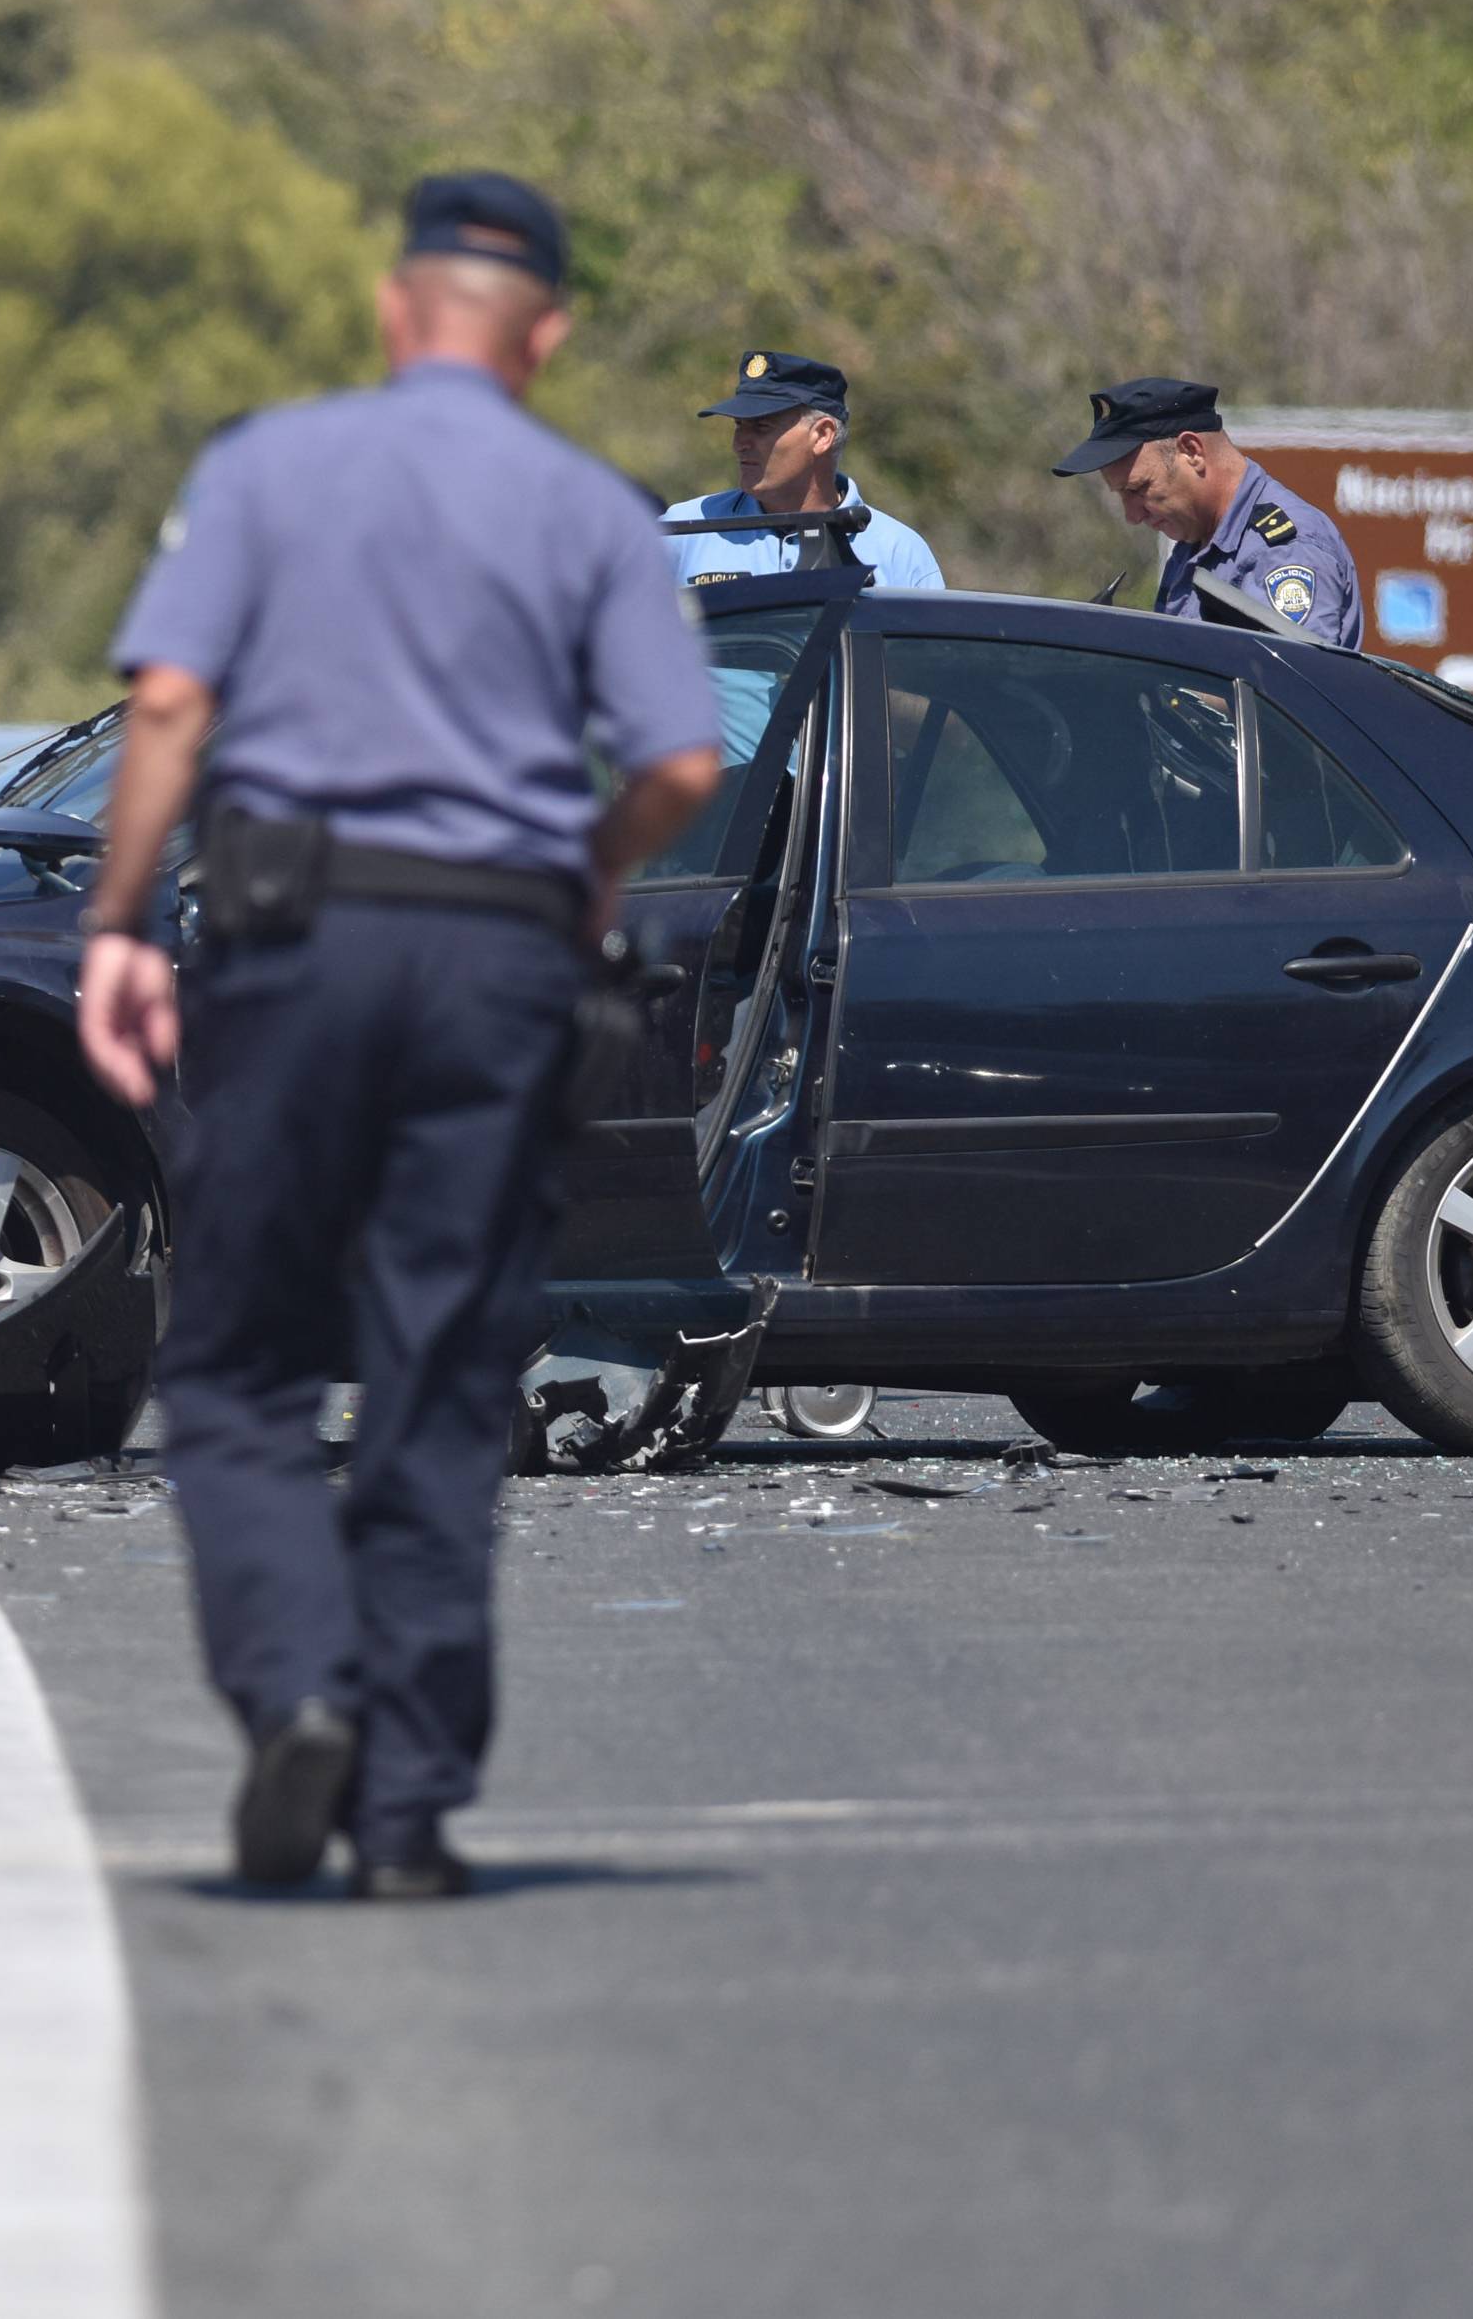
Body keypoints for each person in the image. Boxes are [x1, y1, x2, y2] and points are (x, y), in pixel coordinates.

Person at [76, 171, 722, 1901]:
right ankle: (411, 1804)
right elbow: (679, 764)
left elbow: (168, 704)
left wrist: (122, 923)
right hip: (502, 965)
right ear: (550, 334)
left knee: (240, 1357)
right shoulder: (595, 514)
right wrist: (581, 880)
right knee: (446, 1372)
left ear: (393, 309)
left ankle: (298, 1687)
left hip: (296, 950)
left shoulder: (268, 469)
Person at [1053, 376, 1362, 647]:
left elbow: (1287, 690)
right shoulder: (1196, 542)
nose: (1133, 516)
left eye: (1138, 489)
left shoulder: (1284, 550)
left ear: (1192, 452)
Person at [664, 349, 943, 591]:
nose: (739, 444)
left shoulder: (899, 552)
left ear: (822, 435)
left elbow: (931, 651)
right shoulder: (683, 531)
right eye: (739, 426)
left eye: (761, 427)